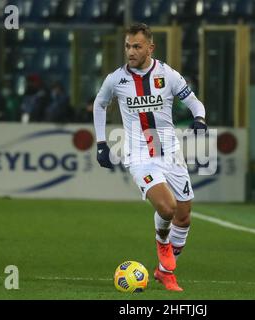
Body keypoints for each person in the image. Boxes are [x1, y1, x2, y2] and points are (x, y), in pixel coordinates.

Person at [93, 23, 207, 291]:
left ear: (150, 48)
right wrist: (101, 143)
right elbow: (100, 104)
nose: (130, 52)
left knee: (184, 217)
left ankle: (164, 270)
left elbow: (194, 102)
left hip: (170, 153)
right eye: (127, 46)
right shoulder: (115, 80)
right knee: (167, 208)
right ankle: (164, 250)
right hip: (140, 155)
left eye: (136, 46)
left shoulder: (167, 74)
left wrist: (199, 119)